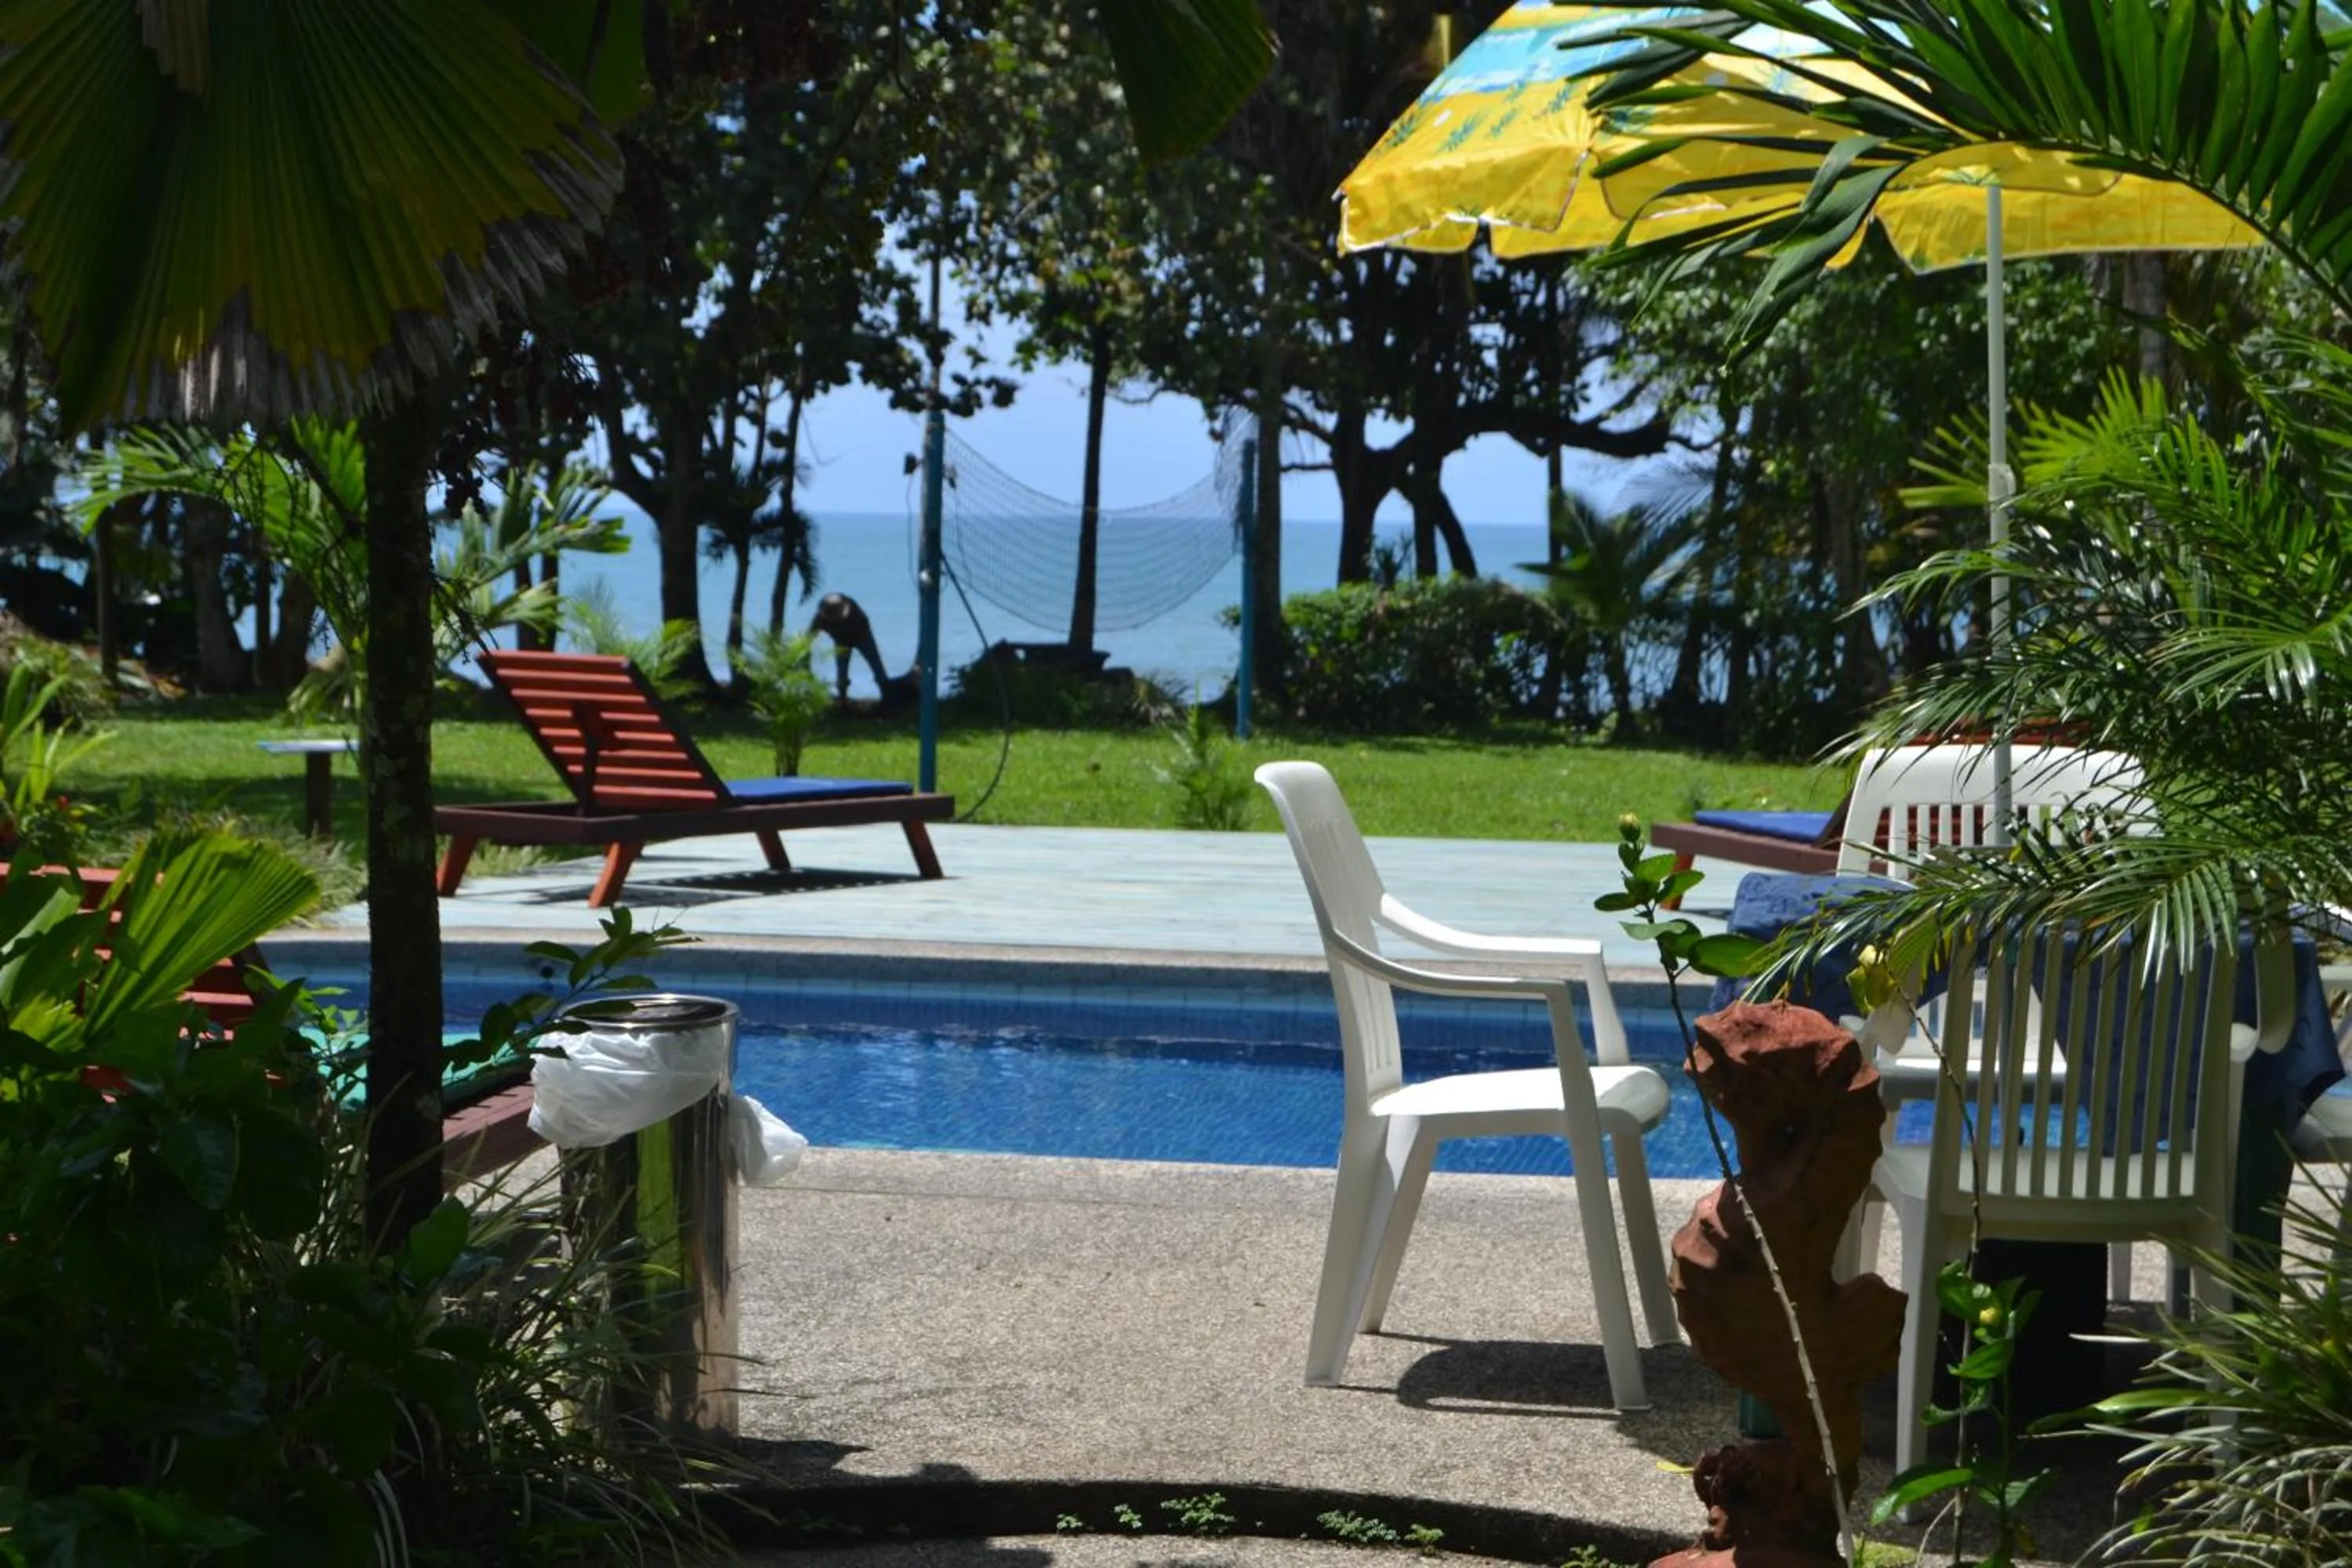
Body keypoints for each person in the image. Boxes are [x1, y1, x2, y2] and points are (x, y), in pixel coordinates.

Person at [808, 592, 891, 703]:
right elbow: (808, 638)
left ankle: (888, 697)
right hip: (841, 641)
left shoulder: (857, 614)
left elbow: (865, 626)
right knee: (842, 672)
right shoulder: (820, 619)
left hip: (862, 637)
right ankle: (843, 701)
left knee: (876, 666)